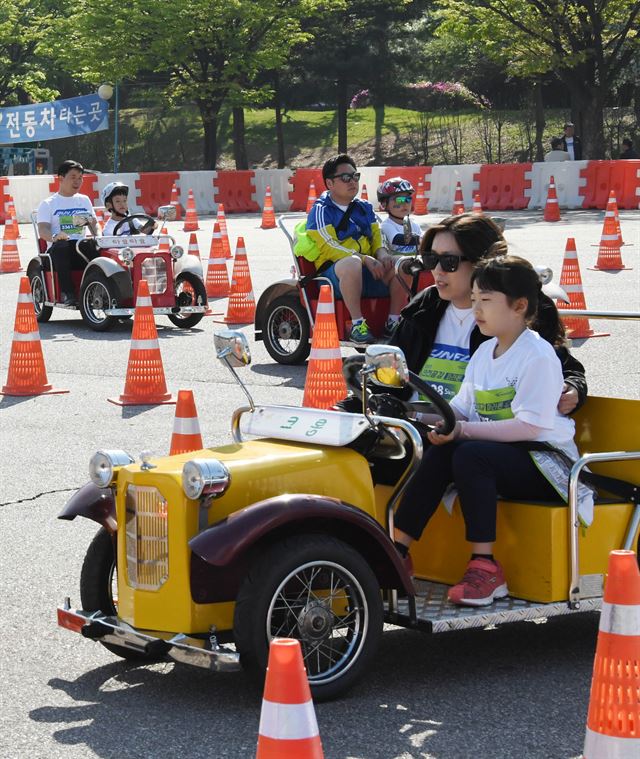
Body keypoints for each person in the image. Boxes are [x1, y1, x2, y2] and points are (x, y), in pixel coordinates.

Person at [393, 254, 593, 607]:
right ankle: (396, 553)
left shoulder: (538, 355)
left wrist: (463, 431)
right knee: (438, 448)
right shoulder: (485, 351)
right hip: (504, 455)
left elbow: (531, 426)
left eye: (485, 301)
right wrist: (421, 417)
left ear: (519, 306)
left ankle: (485, 567)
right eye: (473, 301)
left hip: (550, 465)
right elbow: (462, 409)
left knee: (470, 453)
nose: (476, 309)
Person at [387, 213, 586, 411]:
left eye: (449, 261)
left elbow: (561, 366)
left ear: (482, 262)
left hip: (477, 431)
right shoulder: (424, 307)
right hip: (412, 426)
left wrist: (573, 388)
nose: (438, 270)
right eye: (430, 259)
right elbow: (388, 373)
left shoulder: (511, 311)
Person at [306, 154, 395, 344]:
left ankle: (393, 322)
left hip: (368, 270)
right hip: (334, 276)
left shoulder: (363, 207)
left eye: (355, 176)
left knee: (401, 265)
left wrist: (381, 252)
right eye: (345, 178)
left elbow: (376, 235)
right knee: (352, 263)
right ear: (330, 183)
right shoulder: (321, 210)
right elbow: (330, 247)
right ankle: (357, 325)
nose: (352, 181)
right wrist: (364, 259)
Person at [37, 160, 99, 305]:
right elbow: (43, 229)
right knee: (62, 246)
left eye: (80, 178)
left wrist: (99, 237)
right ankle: (67, 293)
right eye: (73, 177)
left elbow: (93, 225)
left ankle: (98, 289)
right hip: (58, 250)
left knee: (94, 247)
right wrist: (54, 237)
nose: (77, 181)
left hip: (79, 247)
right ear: (61, 178)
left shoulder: (84, 201)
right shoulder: (48, 203)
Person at [377, 177, 423, 335]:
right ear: (384, 204)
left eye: (408, 198)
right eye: (399, 199)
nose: (405, 203)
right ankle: (393, 320)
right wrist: (427, 239)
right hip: (389, 273)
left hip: (411, 269)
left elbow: (423, 246)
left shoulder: (414, 225)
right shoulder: (386, 225)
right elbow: (398, 239)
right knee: (405, 265)